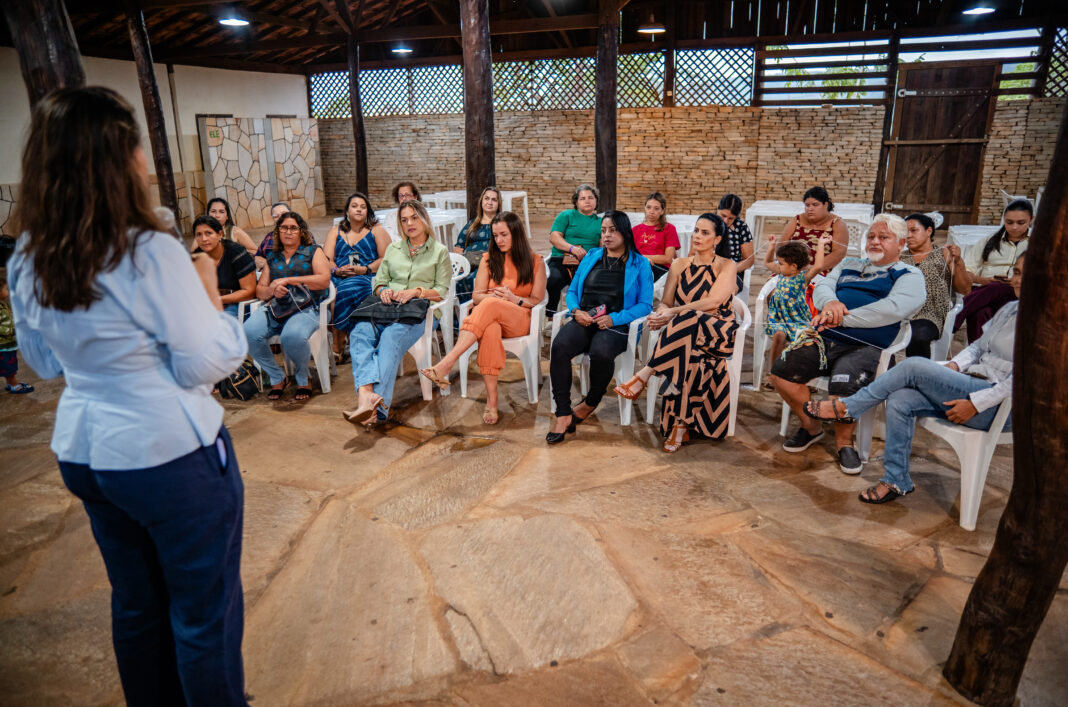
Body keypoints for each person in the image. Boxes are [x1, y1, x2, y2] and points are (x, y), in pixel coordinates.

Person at [6, 87, 249, 705]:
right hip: (167, 453)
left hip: (86, 450)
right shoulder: (146, 250)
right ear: (119, 158)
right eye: (136, 141)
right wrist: (207, 292)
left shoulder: (30, 255)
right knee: (203, 615)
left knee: (137, 606)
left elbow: (43, 362)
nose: (144, 156)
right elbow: (205, 361)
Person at [805, 253, 1023, 504]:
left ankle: (849, 406)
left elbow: (1022, 380)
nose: (1015, 279)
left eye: (1021, 274)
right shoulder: (1011, 309)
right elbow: (977, 348)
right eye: (1015, 272)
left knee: (913, 366)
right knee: (901, 398)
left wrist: (976, 403)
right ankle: (897, 480)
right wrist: (953, 364)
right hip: (972, 382)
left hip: (1000, 406)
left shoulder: (1047, 325)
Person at [770, 214, 925, 474]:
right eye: (872, 236)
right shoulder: (850, 263)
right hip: (824, 337)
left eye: (883, 237)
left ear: (901, 243)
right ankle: (812, 427)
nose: (875, 241)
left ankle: (844, 443)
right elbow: (822, 287)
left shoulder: (909, 275)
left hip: (865, 345)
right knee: (781, 372)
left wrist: (840, 319)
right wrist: (830, 304)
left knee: (844, 387)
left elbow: (890, 310)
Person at [613, 214, 738, 452]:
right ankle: (680, 426)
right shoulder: (680, 264)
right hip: (684, 335)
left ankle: (645, 374)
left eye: (705, 233)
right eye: (696, 231)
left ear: (717, 239)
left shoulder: (726, 265)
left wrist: (673, 314)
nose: (697, 236)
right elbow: (666, 302)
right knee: (688, 355)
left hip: (717, 330)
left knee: (689, 317)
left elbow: (714, 302)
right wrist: (661, 314)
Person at [420, 211, 546, 424]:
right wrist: (494, 295)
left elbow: (537, 300)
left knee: (490, 304)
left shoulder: (536, 261)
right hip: (490, 318)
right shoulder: (489, 259)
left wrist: (512, 298)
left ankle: (447, 362)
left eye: (504, 234)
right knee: (489, 329)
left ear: (517, 233)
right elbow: (476, 296)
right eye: (495, 236)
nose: (499, 240)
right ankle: (492, 401)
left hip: (520, 318)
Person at [546, 210, 653, 444]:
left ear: (625, 232)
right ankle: (563, 412)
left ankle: (590, 402)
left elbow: (645, 305)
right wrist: (576, 311)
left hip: (616, 323)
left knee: (601, 352)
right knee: (560, 346)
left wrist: (615, 319)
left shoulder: (640, 264)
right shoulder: (592, 256)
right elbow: (573, 291)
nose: (607, 235)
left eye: (613, 230)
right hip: (586, 317)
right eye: (604, 230)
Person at [343, 200, 451, 425]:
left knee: (390, 337)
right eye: (404, 220)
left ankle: (377, 409)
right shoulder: (393, 249)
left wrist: (416, 292)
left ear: (424, 219)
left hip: (415, 314)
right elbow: (379, 281)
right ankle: (367, 398)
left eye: (414, 217)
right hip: (385, 308)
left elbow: (441, 292)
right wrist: (383, 290)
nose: (410, 223)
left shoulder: (439, 252)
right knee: (359, 332)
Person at [244, 211, 331, 402]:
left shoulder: (313, 251)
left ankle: (303, 377)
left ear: (301, 232)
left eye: (293, 228)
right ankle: (277, 377)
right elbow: (260, 290)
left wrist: (289, 280)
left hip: (308, 308)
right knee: (248, 331)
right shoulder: (273, 257)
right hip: (278, 307)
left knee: (291, 335)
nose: (288, 232)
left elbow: (324, 280)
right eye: (284, 227)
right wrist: (273, 292)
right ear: (278, 232)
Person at [323, 192, 391, 360]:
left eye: (363, 207)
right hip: (339, 274)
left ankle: (338, 343)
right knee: (326, 289)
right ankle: (340, 337)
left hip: (368, 276)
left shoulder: (377, 230)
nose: (359, 210)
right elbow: (326, 259)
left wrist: (365, 269)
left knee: (345, 289)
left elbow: (387, 258)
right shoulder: (336, 231)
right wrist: (336, 271)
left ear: (368, 211)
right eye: (354, 206)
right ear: (347, 210)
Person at [953, 199, 1031, 342]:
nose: (1014, 227)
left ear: (1031, 220)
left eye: (1021, 223)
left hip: (1020, 294)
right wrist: (985, 281)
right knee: (980, 312)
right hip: (988, 294)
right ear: (1004, 220)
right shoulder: (989, 241)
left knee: (997, 286)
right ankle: (978, 359)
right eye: (1009, 222)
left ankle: (953, 321)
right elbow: (967, 271)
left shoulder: (1037, 244)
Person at [761, 232, 832, 377]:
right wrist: (772, 246)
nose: (778, 266)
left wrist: (820, 244)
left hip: (797, 318)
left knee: (808, 340)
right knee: (779, 335)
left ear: (793, 266)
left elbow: (818, 266)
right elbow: (767, 263)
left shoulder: (803, 278)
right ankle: (774, 372)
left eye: (781, 263)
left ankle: (806, 375)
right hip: (778, 317)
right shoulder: (781, 273)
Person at [900, 213, 957, 358]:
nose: (908, 236)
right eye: (905, 232)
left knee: (917, 336)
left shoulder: (943, 253)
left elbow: (964, 289)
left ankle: (917, 376)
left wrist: (959, 262)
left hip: (931, 313)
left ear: (929, 231)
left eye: (914, 230)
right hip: (901, 311)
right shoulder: (901, 257)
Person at [546, 183, 602, 313]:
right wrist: (572, 249)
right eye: (582, 198)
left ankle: (583, 316)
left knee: (593, 283)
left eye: (590, 197)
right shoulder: (566, 215)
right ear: (576, 202)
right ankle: (550, 316)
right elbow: (554, 237)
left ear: (596, 201)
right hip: (561, 258)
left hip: (586, 262)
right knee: (553, 279)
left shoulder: (601, 222)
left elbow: (602, 246)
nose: (587, 201)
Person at [192, 215, 257, 319]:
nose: (204, 239)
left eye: (208, 233)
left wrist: (218, 299)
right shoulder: (197, 257)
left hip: (235, 304)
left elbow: (249, 291)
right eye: (199, 235)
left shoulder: (236, 253)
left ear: (220, 234)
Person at [779, 185, 848, 276]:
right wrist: (790, 265)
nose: (810, 209)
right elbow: (781, 245)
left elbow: (839, 253)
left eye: (815, 205)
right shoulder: (797, 220)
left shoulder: (837, 223)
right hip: (792, 269)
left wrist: (813, 268)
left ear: (825, 205)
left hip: (822, 271)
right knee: (774, 286)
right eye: (807, 205)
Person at [454, 186, 502, 303]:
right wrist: (460, 263)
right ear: (482, 201)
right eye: (486, 198)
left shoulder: (501, 223)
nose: (489, 202)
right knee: (457, 280)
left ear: (498, 204)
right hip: (469, 261)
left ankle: (473, 311)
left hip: (489, 262)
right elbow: (459, 246)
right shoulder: (472, 223)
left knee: (473, 279)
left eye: (494, 200)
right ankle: (460, 315)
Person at [632, 191, 679, 280]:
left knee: (642, 272)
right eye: (648, 207)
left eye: (656, 208)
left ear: (662, 211)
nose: (651, 212)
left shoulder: (669, 228)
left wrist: (643, 258)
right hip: (637, 266)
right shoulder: (635, 229)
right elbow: (630, 253)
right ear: (644, 208)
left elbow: (668, 258)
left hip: (659, 268)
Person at [1, 270, 33, 393]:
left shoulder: (4, 305)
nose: (8, 292)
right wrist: (12, 329)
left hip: (7, 344)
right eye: (5, 289)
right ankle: (14, 384)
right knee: (7, 366)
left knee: (10, 363)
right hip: (2, 345)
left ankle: (10, 383)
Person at [716, 194, 755, 294]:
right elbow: (693, 253)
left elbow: (749, 260)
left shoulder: (741, 227)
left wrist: (730, 270)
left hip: (733, 274)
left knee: (723, 292)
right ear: (717, 209)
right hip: (707, 270)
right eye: (723, 215)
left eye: (731, 218)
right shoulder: (707, 223)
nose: (725, 221)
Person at [254, 201, 291, 268]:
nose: (280, 218)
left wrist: (269, 264)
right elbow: (257, 257)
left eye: (284, 213)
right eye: (276, 216)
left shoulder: (303, 235)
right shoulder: (269, 236)